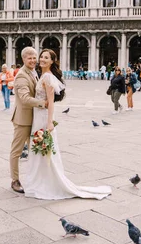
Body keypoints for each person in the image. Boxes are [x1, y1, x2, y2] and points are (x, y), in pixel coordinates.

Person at [22, 48, 111, 200]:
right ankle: (38, 181)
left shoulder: (48, 77)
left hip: (43, 118)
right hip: (38, 116)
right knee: (39, 150)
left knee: (44, 149)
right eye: (41, 56)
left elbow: (51, 102)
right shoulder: (42, 75)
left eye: (46, 58)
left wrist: (49, 122)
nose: (42, 59)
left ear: (51, 61)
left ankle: (45, 183)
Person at [9, 47, 47, 193]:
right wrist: (43, 103)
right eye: (29, 58)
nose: (32, 60)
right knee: (17, 151)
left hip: (35, 118)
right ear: (23, 59)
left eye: (34, 57)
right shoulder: (21, 76)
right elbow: (24, 99)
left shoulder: (34, 72)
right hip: (23, 119)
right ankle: (15, 180)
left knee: (34, 150)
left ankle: (34, 178)